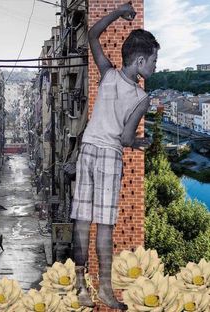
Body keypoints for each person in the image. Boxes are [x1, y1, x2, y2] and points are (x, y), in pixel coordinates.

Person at [70, 1, 160, 310]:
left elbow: (93, 35)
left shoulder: (107, 73)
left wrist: (119, 11)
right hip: (109, 156)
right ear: (139, 61)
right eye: (153, 60)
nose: (155, 67)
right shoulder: (141, 97)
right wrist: (138, 143)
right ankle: (106, 291)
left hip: (86, 150)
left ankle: (81, 288)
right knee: (104, 227)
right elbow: (123, 138)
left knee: (82, 222)